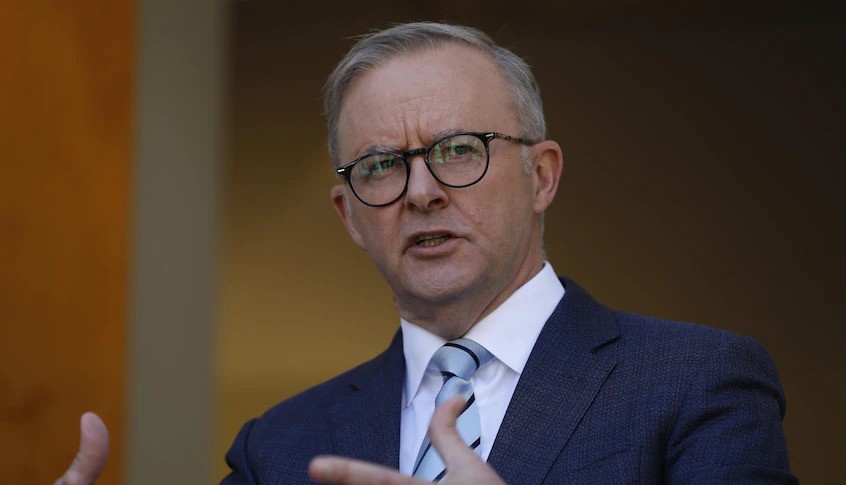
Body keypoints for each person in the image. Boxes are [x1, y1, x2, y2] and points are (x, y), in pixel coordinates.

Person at [56, 22, 796, 484]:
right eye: (380, 166)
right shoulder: (279, 447)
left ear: (541, 176)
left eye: (458, 150)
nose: (421, 191)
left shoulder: (697, 383)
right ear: (349, 216)